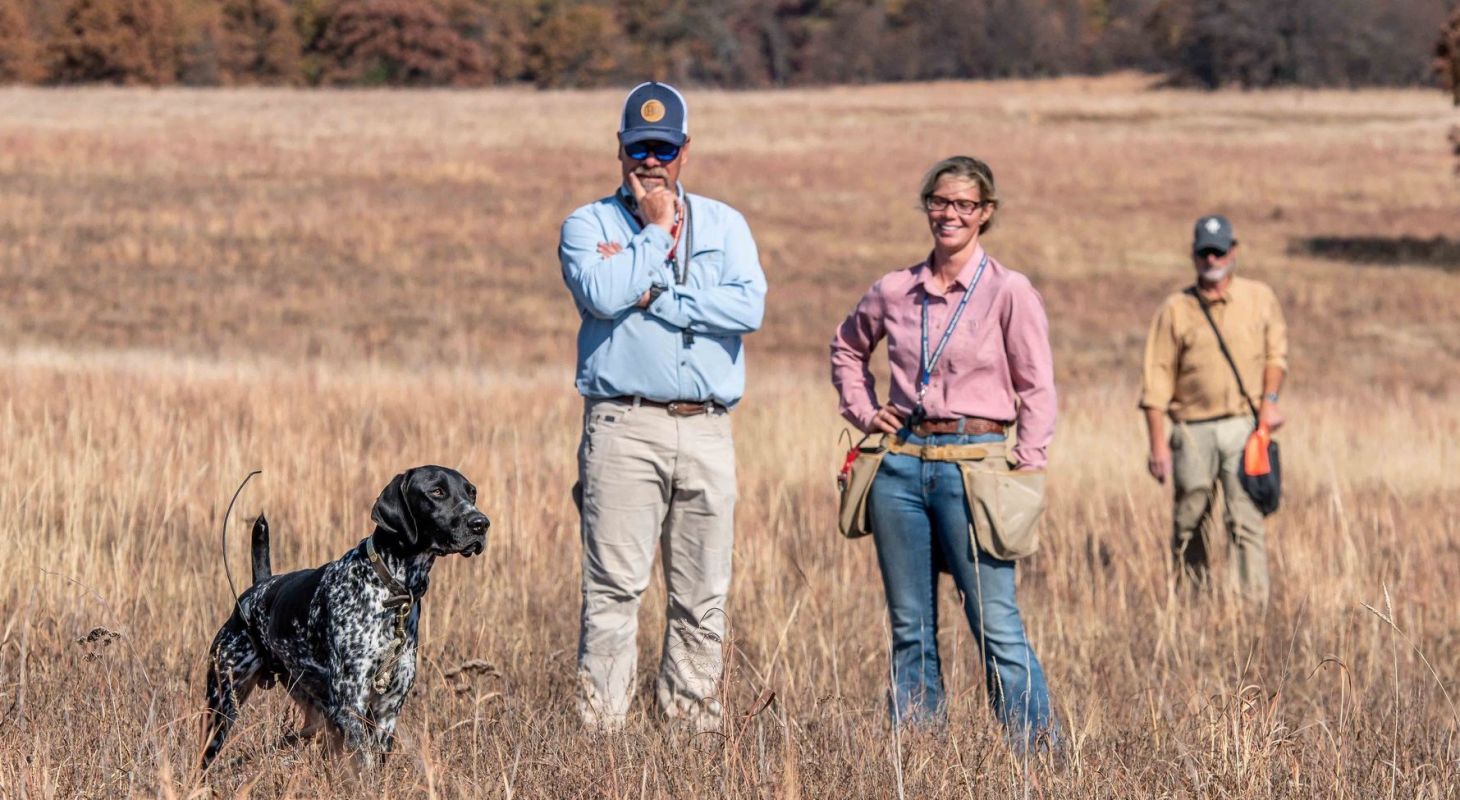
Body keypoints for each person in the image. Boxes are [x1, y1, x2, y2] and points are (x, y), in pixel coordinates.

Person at [558, 81, 767, 733]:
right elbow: (600, 293)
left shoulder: (727, 224)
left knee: (703, 594)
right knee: (615, 591)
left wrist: (663, 301)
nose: (652, 160)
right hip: (623, 425)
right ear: (620, 149)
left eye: (665, 148)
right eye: (640, 147)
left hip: (706, 427)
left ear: (684, 151)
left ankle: (691, 727)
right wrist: (652, 236)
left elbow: (749, 308)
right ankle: (603, 732)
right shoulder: (588, 225)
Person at [829, 156, 1056, 747]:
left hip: (976, 466)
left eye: (964, 205)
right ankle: (920, 759)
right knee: (911, 628)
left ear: (985, 214)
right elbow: (847, 348)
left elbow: (1037, 386)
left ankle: (1035, 758)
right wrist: (862, 409)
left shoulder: (1009, 290)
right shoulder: (894, 290)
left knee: (994, 623)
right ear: (926, 205)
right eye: (939, 201)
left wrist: (1028, 466)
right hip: (899, 465)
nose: (949, 214)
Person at [1139, 215, 1288, 604]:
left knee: (1246, 519)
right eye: (1205, 251)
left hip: (1245, 428)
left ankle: (1251, 606)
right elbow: (1155, 382)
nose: (1211, 259)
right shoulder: (1175, 309)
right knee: (1189, 519)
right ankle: (1192, 600)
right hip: (1191, 429)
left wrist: (1269, 403)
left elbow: (1277, 356)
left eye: (1218, 251)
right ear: (1193, 254)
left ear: (1233, 252)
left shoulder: (1259, 298)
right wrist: (1157, 446)